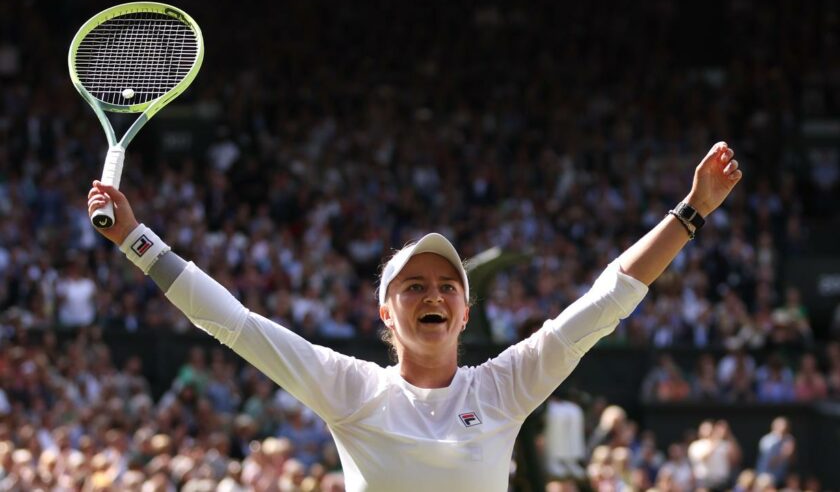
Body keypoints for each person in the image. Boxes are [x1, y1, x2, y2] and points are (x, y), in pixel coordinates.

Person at [86, 142, 742, 492]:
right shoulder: (351, 389)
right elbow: (233, 323)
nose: (432, 295)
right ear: (385, 314)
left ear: (465, 310)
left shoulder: (505, 387)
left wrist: (691, 211)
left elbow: (608, 299)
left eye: (446, 287)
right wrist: (139, 242)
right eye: (413, 287)